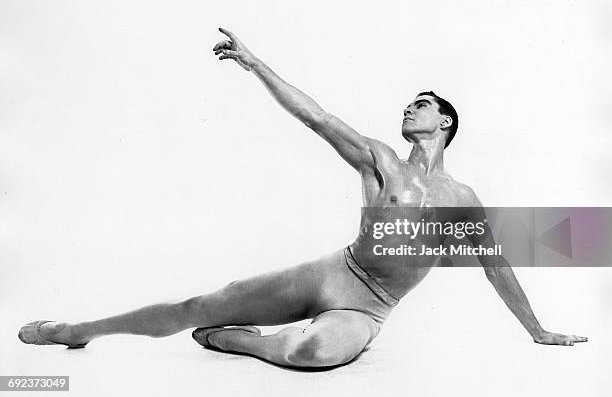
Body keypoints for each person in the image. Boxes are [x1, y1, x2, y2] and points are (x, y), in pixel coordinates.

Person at [18, 28, 588, 368]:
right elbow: (317, 117)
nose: (409, 110)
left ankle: (243, 345)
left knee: (311, 356)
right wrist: (254, 63)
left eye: (422, 105)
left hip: (368, 308)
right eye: (409, 105)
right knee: (198, 305)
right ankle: (76, 329)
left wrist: (536, 330)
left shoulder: (462, 198)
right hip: (331, 275)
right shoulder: (381, 160)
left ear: (446, 122)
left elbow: (498, 267)